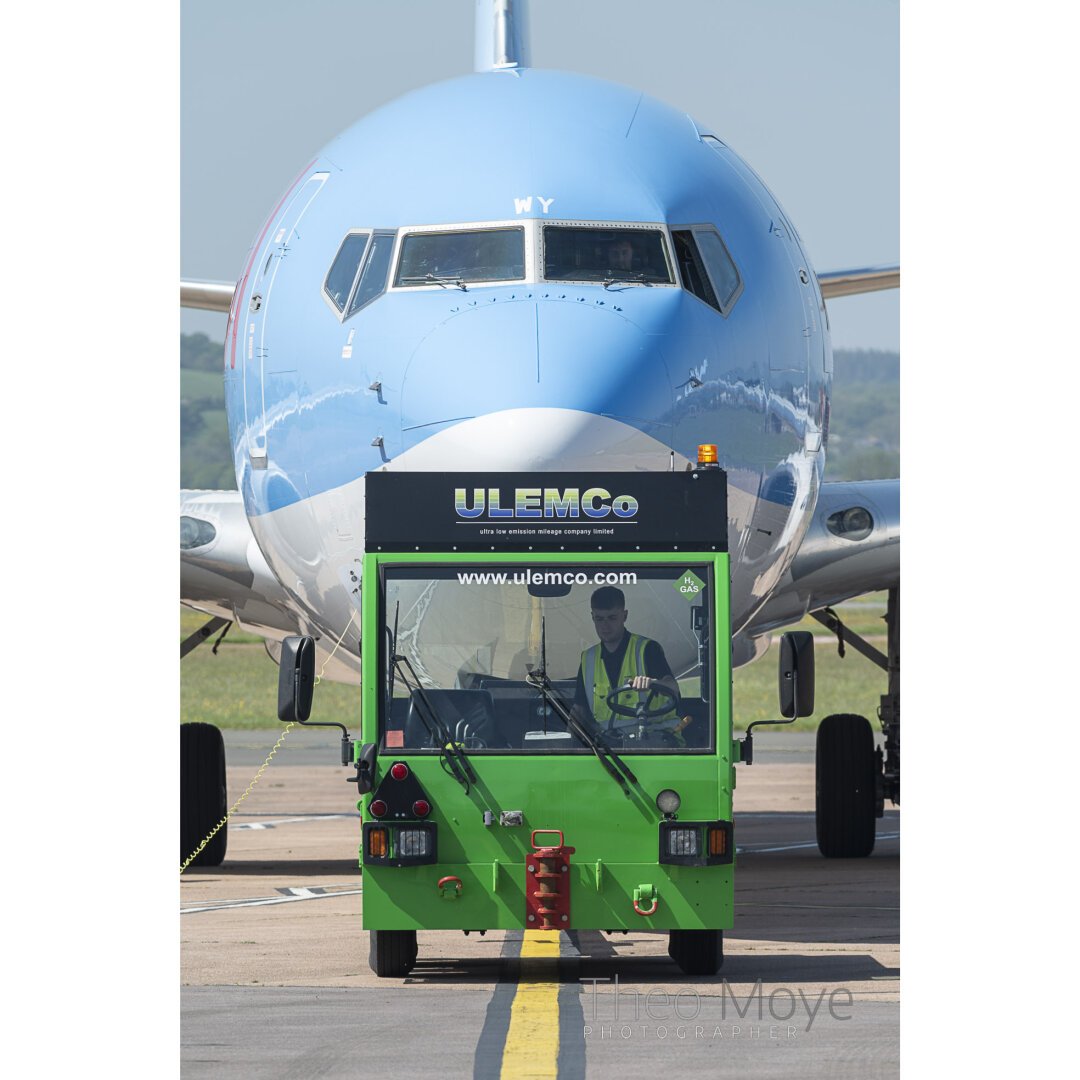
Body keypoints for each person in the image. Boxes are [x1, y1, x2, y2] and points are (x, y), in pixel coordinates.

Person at [574, 585, 679, 731]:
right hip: (607, 746)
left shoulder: (647, 649)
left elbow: (673, 688)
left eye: (612, 618)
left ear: (625, 615)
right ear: (592, 617)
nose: (605, 625)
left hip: (652, 743)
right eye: (599, 619)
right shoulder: (588, 659)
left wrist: (654, 683)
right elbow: (579, 711)